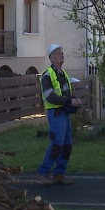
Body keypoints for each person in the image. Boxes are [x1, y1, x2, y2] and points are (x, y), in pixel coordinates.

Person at [37, 43, 83, 185]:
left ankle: (59, 174)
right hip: (55, 113)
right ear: (51, 58)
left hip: (63, 111)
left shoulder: (64, 75)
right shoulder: (47, 76)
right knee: (57, 144)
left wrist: (74, 100)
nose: (61, 55)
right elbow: (50, 97)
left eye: (61, 53)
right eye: (58, 53)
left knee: (67, 144)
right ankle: (43, 173)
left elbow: (66, 93)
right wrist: (69, 102)